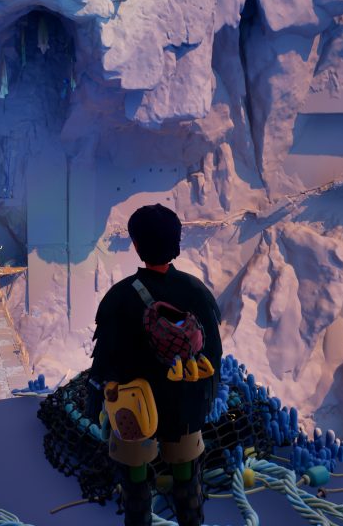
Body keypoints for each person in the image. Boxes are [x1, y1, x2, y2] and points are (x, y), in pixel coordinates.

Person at [88, 204, 222, 526]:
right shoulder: (196, 291)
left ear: (136, 246)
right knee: (187, 476)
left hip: (134, 408)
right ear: (176, 243)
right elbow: (213, 354)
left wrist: (95, 402)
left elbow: (104, 361)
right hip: (186, 406)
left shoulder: (119, 297)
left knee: (135, 483)